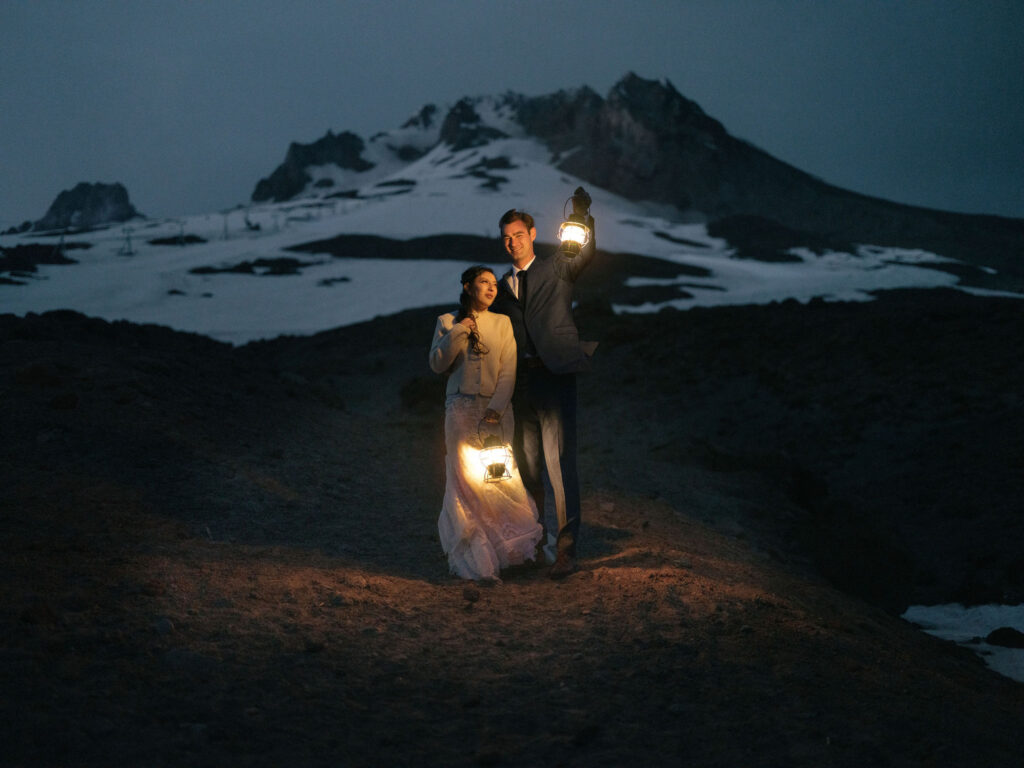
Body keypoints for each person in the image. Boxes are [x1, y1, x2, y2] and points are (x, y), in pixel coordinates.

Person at [490, 203, 597, 579]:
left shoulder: (558, 266)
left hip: (555, 378)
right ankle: (533, 545)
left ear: (533, 235)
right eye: (506, 238)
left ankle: (566, 549)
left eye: (518, 235)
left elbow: (583, 252)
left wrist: (582, 217)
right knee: (529, 467)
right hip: (522, 385)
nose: (512, 243)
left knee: (560, 464)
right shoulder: (500, 287)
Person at [429, 265, 543, 581]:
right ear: (467, 287)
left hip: (495, 411)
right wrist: (460, 330)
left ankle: (509, 554)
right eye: (484, 283)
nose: (492, 289)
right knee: (466, 479)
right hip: (461, 411)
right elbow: (438, 364)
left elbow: (508, 371)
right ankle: (477, 557)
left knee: (500, 477)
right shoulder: (447, 322)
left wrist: (495, 408)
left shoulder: (503, 323)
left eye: (494, 284)